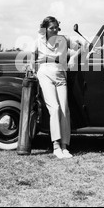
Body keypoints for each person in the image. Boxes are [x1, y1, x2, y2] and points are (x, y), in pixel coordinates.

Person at [30, 16, 80, 159]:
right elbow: (32, 58)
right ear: (45, 29)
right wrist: (32, 70)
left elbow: (82, 48)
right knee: (55, 108)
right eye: (51, 28)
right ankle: (56, 146)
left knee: (64, 109)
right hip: (45, 73)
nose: (55, 30)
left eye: (56, 27)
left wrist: (74, 58)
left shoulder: (64, 40)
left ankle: (65, 146)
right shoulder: (38, 41)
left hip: (61, 74)